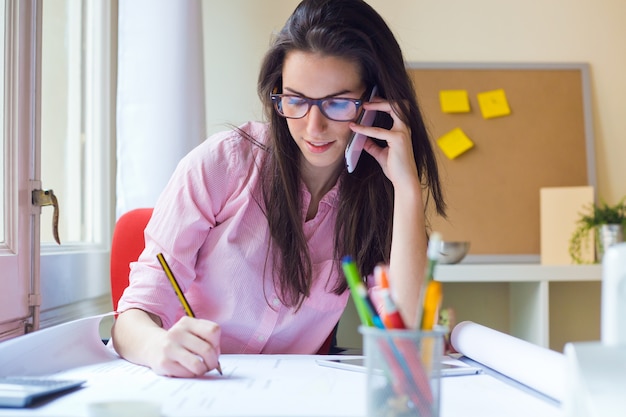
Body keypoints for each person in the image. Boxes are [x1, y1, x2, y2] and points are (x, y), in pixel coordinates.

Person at [111, 0, 446, 378]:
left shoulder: (377, 198)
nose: (313, 127)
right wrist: (158, 346)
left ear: (374, 104)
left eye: (337, 103)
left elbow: (407, 334)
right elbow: (130, 320)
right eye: (296, 100)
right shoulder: (223, 164)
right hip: (192, 385)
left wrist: (406, 189)